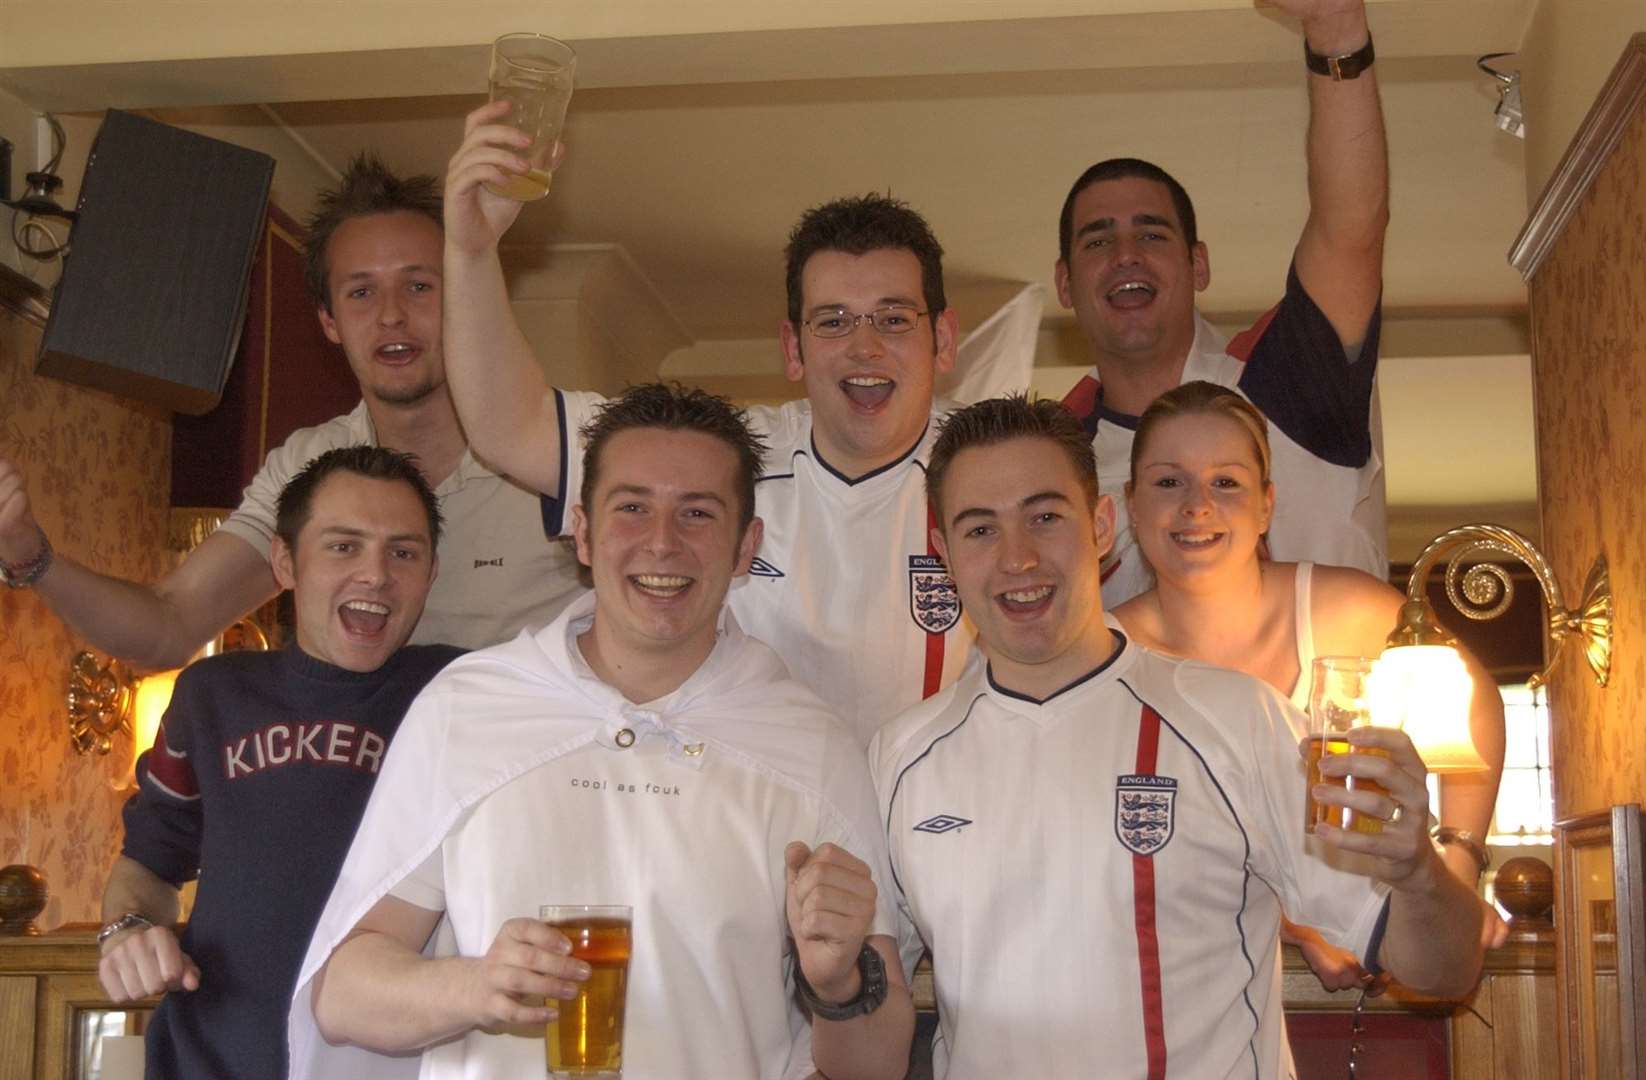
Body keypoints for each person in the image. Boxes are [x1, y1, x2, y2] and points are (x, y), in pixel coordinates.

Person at [290, 384, 912, 1080]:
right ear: (582, 533)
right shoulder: (469, 707)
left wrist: (839, 985)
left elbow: (878, 1065)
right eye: (632, 507)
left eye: (698, 513)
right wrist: (474, 987)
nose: (662, 543)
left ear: (747, 548)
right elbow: (342, 993)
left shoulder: (810, 744)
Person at [871, 394, 1485, 1078]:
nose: (1018, 558)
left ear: (1102, 527)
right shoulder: (900, 757)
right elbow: (870, 1027)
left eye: (1045, 517)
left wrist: (1420, 875)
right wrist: (833, 978)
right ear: (943, 553)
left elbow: (1445, 970)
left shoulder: (1238, 720)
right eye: (980, 530)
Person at [434, 103, 969, 745]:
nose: (864, 347)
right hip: (748, 821)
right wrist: (469, 250)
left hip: (931, 834)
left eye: (893, 318)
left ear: (942, 339)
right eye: (832, 321)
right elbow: (509, 428)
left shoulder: (992, 470)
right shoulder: (721, 456)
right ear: (793, 349)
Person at [0, 154, 581, 660]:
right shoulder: (311, 464)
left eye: (419, 286)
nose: (391, 316)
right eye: (360, 292)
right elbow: (170, 625)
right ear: (328, 321)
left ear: (464, 296)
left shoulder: (565, 451)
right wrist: (33, 558)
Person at [1112, 379, 1509, 988]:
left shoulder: (1350, 610)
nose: (1198, 506)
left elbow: (1475, 703)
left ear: (1267, 504)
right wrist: (1297, 924)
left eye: (1227, 482)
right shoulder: (1107, 655)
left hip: (1380, 957)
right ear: (1131, 503)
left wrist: (1457, 859)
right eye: (1169, 482)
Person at [95, 445, 463, 1079]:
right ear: (285, 562)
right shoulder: (211, 694)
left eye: (403, 552)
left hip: (393, 1060)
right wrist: (128, 931)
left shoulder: (465, 692)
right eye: (343, 546)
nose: (376, 574)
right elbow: (148, 866)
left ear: (431, 574)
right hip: (210, 1056)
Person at [1056, 0, 1391, 606]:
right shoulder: (1053, 454)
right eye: (1098, 240)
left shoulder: (1282, 380)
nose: (1126, 254)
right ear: (1064, 285)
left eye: (1153, 235)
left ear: (1198, 265)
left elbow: (1351, 231)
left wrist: (1336, 30)